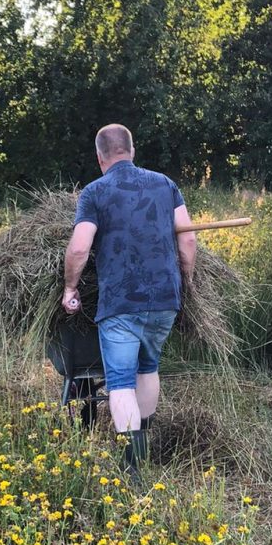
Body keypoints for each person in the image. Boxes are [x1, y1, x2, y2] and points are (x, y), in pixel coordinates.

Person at [62, 124, 196, 475]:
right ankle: (144, 444)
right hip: (165, 298)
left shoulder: (95, 192)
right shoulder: (166, 185)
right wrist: (187, 279)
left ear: (100, 157)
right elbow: (189, 240)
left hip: (121, 302)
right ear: (132, 150)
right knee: (148, 368)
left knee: (120, 382)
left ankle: (133, 469)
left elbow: (79, 247)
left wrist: (70, 288)